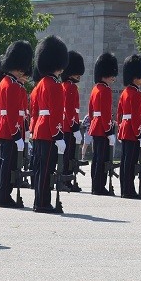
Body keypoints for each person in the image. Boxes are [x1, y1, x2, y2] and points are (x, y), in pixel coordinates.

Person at [30, 36, 69, 213]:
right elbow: (55, 113)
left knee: (40, 169)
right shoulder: (54, 85)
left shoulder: (39, 84)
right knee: (46, 169)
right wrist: (58, 134)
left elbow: (34, 111)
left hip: (39, 129)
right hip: (48, 131)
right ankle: (43, 203)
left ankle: (39, 200)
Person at [0, 41, 32, 208]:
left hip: (6, 128)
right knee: (6, 164)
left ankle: (4, 195)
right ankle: (4, 196)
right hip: (9, 130)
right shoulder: (10, 85)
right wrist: (17, 134)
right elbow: (11, 113)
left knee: (6, 164)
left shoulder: (8, 83)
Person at [117, 55, 141, 199]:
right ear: (135, 77)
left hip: (124, 129)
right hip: (132, 130)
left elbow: (120, 114)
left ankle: (125, 188)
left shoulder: (125, 92)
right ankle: (129, 190)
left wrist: (119, 130)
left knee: (125, 162)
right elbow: (135, 117)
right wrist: (139, 134)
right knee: (130, 162)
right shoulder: (136, 93)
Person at [88, 53, 118, 196]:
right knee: (102, 158)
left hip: (95, 126)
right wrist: (109, 131)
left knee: (96, 158)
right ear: (105, 74)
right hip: (102, 128)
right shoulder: (105, 90)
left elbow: (91, 111)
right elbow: (105, 113)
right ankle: (99, 186)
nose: (113, 77)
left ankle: (96, 184)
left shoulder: (95, 89)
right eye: (111, 74)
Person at [61, 50, 85, 191]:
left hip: (67, 125)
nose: (79, 75)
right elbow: (70, 110)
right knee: (68, 156)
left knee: (68, 155)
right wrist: (75, 127)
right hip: (69, 126)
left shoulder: (66, 86)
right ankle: (66, 180)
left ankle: (67, 180)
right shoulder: (70, 87)